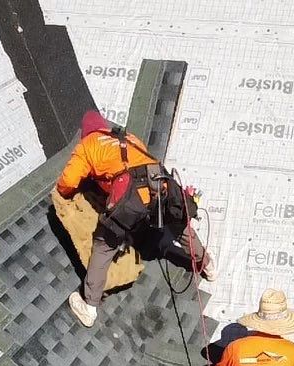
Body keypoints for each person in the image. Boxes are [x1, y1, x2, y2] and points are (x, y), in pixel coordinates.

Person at [55, 110, 217, 328]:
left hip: (133, 195)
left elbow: (68, 181)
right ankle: (207, 264)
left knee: (104, 246)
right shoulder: (127, 138)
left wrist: (65, 194)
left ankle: (89, 306)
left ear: (86, 133)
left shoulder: (88, 145)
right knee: (179, 224)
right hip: (161, 182)